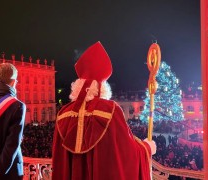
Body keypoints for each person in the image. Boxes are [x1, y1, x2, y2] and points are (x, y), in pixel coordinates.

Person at [52, 42, 156, 180]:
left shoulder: (63, 113)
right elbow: (126, 155)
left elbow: (59, 162)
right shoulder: (110, 110)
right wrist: (147, 149)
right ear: (102, 86)